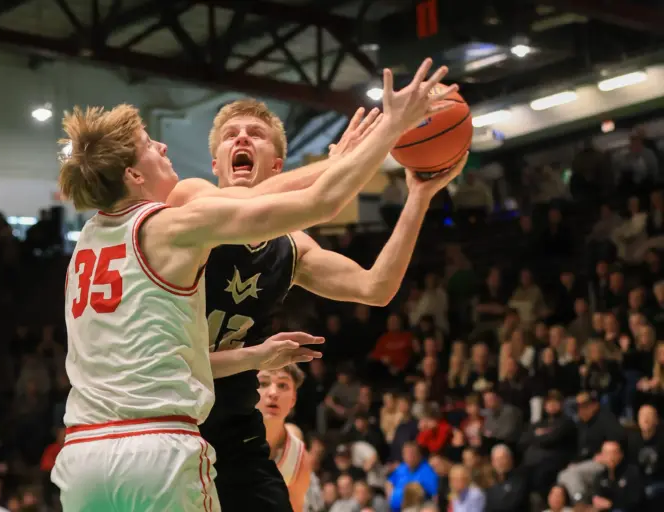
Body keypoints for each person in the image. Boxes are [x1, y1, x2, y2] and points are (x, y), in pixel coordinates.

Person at [53, 61, 457, 512]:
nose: (241, 139)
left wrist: (418, 196)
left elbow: (375, 287)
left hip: (109, 439)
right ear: (214, 165)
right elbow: (316, 199)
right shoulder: (184, 206)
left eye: (255, 134)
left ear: (277, 163)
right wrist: (368, 143)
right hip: (169, 429)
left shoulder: (94, 235)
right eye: (230, 134)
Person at [257, 364, 313, 512]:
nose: (273, 393)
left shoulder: (298, 457)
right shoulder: (224, 440)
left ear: (294, 398)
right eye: (263, 383)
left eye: (283, 385)